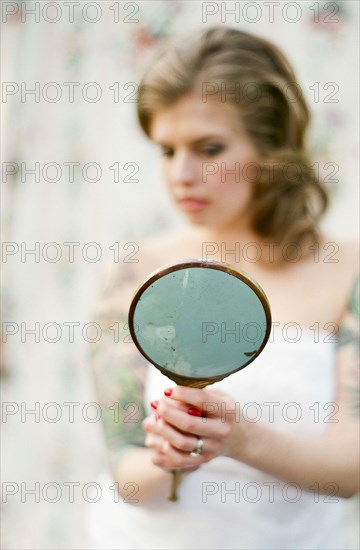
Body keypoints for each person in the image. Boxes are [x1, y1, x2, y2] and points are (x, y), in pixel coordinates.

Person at [88, 26, 359, 550]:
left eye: (208, 148)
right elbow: (127, 473)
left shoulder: (347, 273)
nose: (181, 175)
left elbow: (348, 473)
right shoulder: (136, 271)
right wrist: (175, 454)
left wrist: (240, 439)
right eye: (166, 151)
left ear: (271, 145)